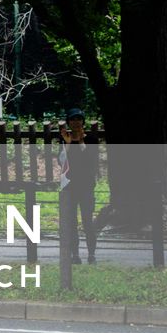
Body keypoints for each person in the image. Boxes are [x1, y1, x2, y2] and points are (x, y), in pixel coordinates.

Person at [56, 109, 98, 264]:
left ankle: (91, 253)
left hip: (86, 185)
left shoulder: (92, 139)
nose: (76, 122)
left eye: (79, 119)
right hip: (70, 185)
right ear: (68, 122)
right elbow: (61, 161)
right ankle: (75, 254)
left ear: (83, 121)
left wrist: (80, 142)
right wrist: (67, 144)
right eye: (73, 119)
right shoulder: (64, 139)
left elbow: (91, 159)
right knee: (71, 222)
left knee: (88, 221)